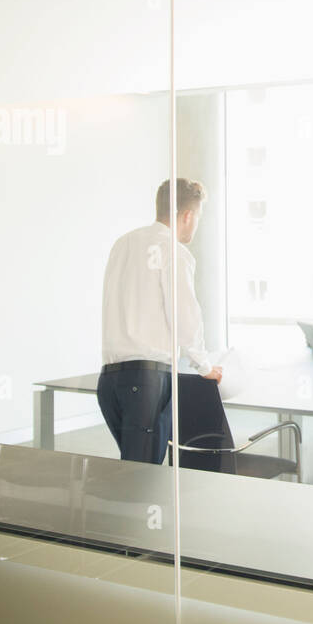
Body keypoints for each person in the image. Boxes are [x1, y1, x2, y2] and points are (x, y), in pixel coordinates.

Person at [98, 178, 221, 464]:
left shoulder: (122, 243)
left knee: (133, 471)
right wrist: (204, 366)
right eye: (197, 217)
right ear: (187, 215)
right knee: (144, 480)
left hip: (110, 380)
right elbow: (184, 314)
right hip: (147, 381)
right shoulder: (174, 251)